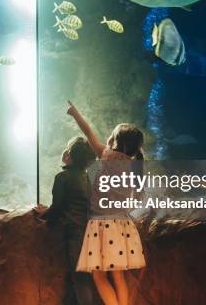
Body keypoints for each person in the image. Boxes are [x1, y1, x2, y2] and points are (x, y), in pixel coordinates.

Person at [67, 101, 146, 305]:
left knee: (98, 276)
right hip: (122, 225)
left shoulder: (107, 156)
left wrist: (75, 114)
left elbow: (89, 133)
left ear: (119, 143)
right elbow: (138, 200)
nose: (108, 137)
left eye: (112, 134)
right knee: (118, 277)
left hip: (102, 225)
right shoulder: (134, 166)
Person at [40, 136, 99, 305]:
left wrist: (44, 218)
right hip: (88, 232)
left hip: (73, 233)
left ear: (70, 156)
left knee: (79, 279)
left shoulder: (62, 177)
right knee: (80, 278)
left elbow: (57, 207)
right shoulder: (88, 178)